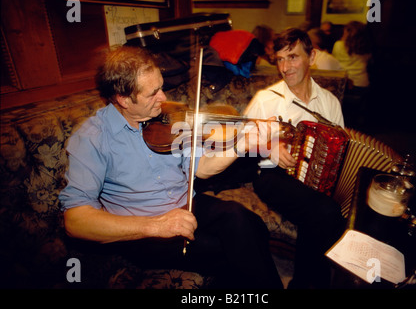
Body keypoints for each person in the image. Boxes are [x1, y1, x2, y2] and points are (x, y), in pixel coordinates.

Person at [59, 45, 283, 289]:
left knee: (249, 223)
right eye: (152, 93)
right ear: (123, 99)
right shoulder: (92, 138)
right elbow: (75, 221)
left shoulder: (168, 118)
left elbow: (202, 168)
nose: (164, 98)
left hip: (186, 203)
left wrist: (242, 144)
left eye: (161, 87)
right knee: (228, 251)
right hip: (144, 231)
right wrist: (157, 225)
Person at [244, 28, 346, 289]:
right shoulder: (266, 100)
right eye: (279, 59)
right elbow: (240, 145)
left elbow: (339, 148)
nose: (285, 67)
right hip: (270, 175)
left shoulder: (330, 102)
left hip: (314, 178)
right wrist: (269, 149)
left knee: (330, 212)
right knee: (326, 212)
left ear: (311, 57)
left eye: (292, 57)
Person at [332, 21, 372, 89]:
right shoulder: (366, 47)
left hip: (345, 82)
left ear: (347, 32)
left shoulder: (339, 45)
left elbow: (333, 61)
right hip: (362, 81)